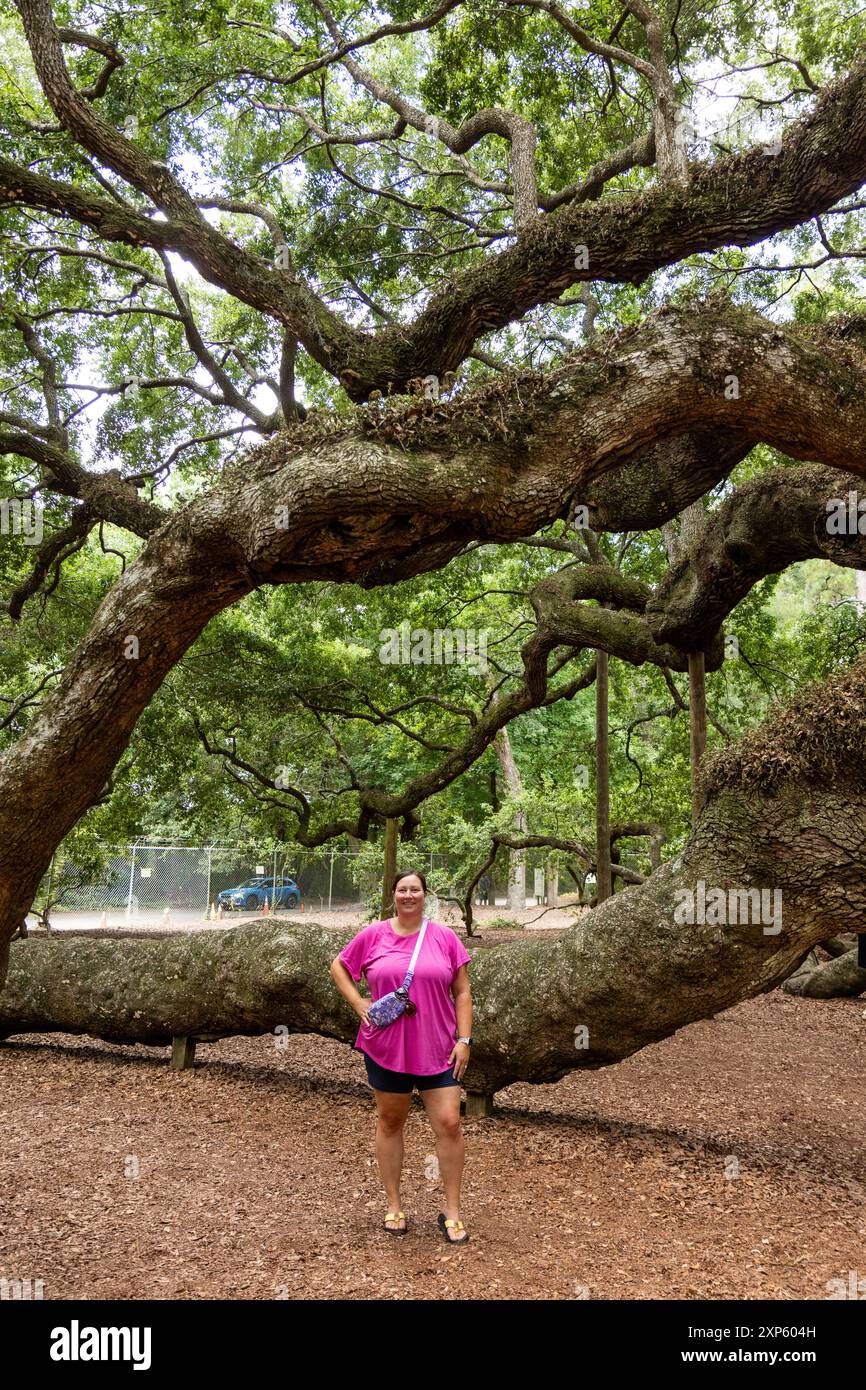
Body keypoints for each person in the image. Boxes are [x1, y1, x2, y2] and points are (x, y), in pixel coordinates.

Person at [329, 868, 474, 1244]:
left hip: (439, 1047)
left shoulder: (443, 937)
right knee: (391, 1122)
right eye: (402, 890)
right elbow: (339, 967)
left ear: (425, 895)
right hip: (386, 1047)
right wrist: (359, 1001)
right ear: (393, 895)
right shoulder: (374, 935)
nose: (409, 895)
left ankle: (452, 1212)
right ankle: (394, 1205)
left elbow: (462, 992)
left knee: (450, 1123)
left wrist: (465, 1039)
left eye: (415, 890)